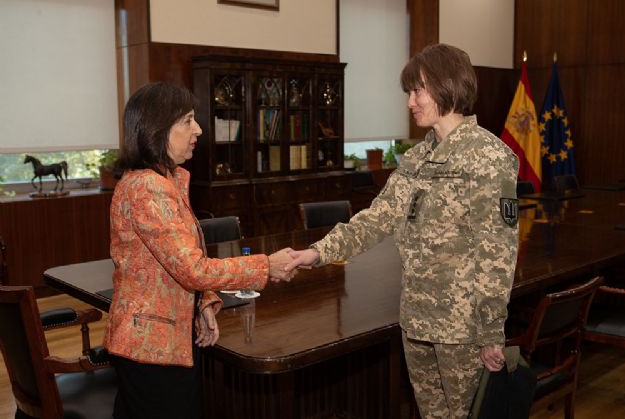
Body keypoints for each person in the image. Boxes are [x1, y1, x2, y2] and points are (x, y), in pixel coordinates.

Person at [282, 44, 519, 419]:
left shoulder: (487, 157)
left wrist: (491, 331)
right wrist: (317, 252)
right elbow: (378, 218)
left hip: (462, 330)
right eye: (408, 92)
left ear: (447, 87)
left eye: (417, 90)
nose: (410, 101)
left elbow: (498, 252)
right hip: (417, 320)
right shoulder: (417, 158)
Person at [103, 82, 292, 419]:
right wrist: (266, 265)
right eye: (187, 120)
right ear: (158, 127)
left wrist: (203, 303)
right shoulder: (147, 187)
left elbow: (175, 263)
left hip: (165, 337)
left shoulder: (166, 180)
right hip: (151, 348)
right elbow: (192, 268)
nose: (199, 130)